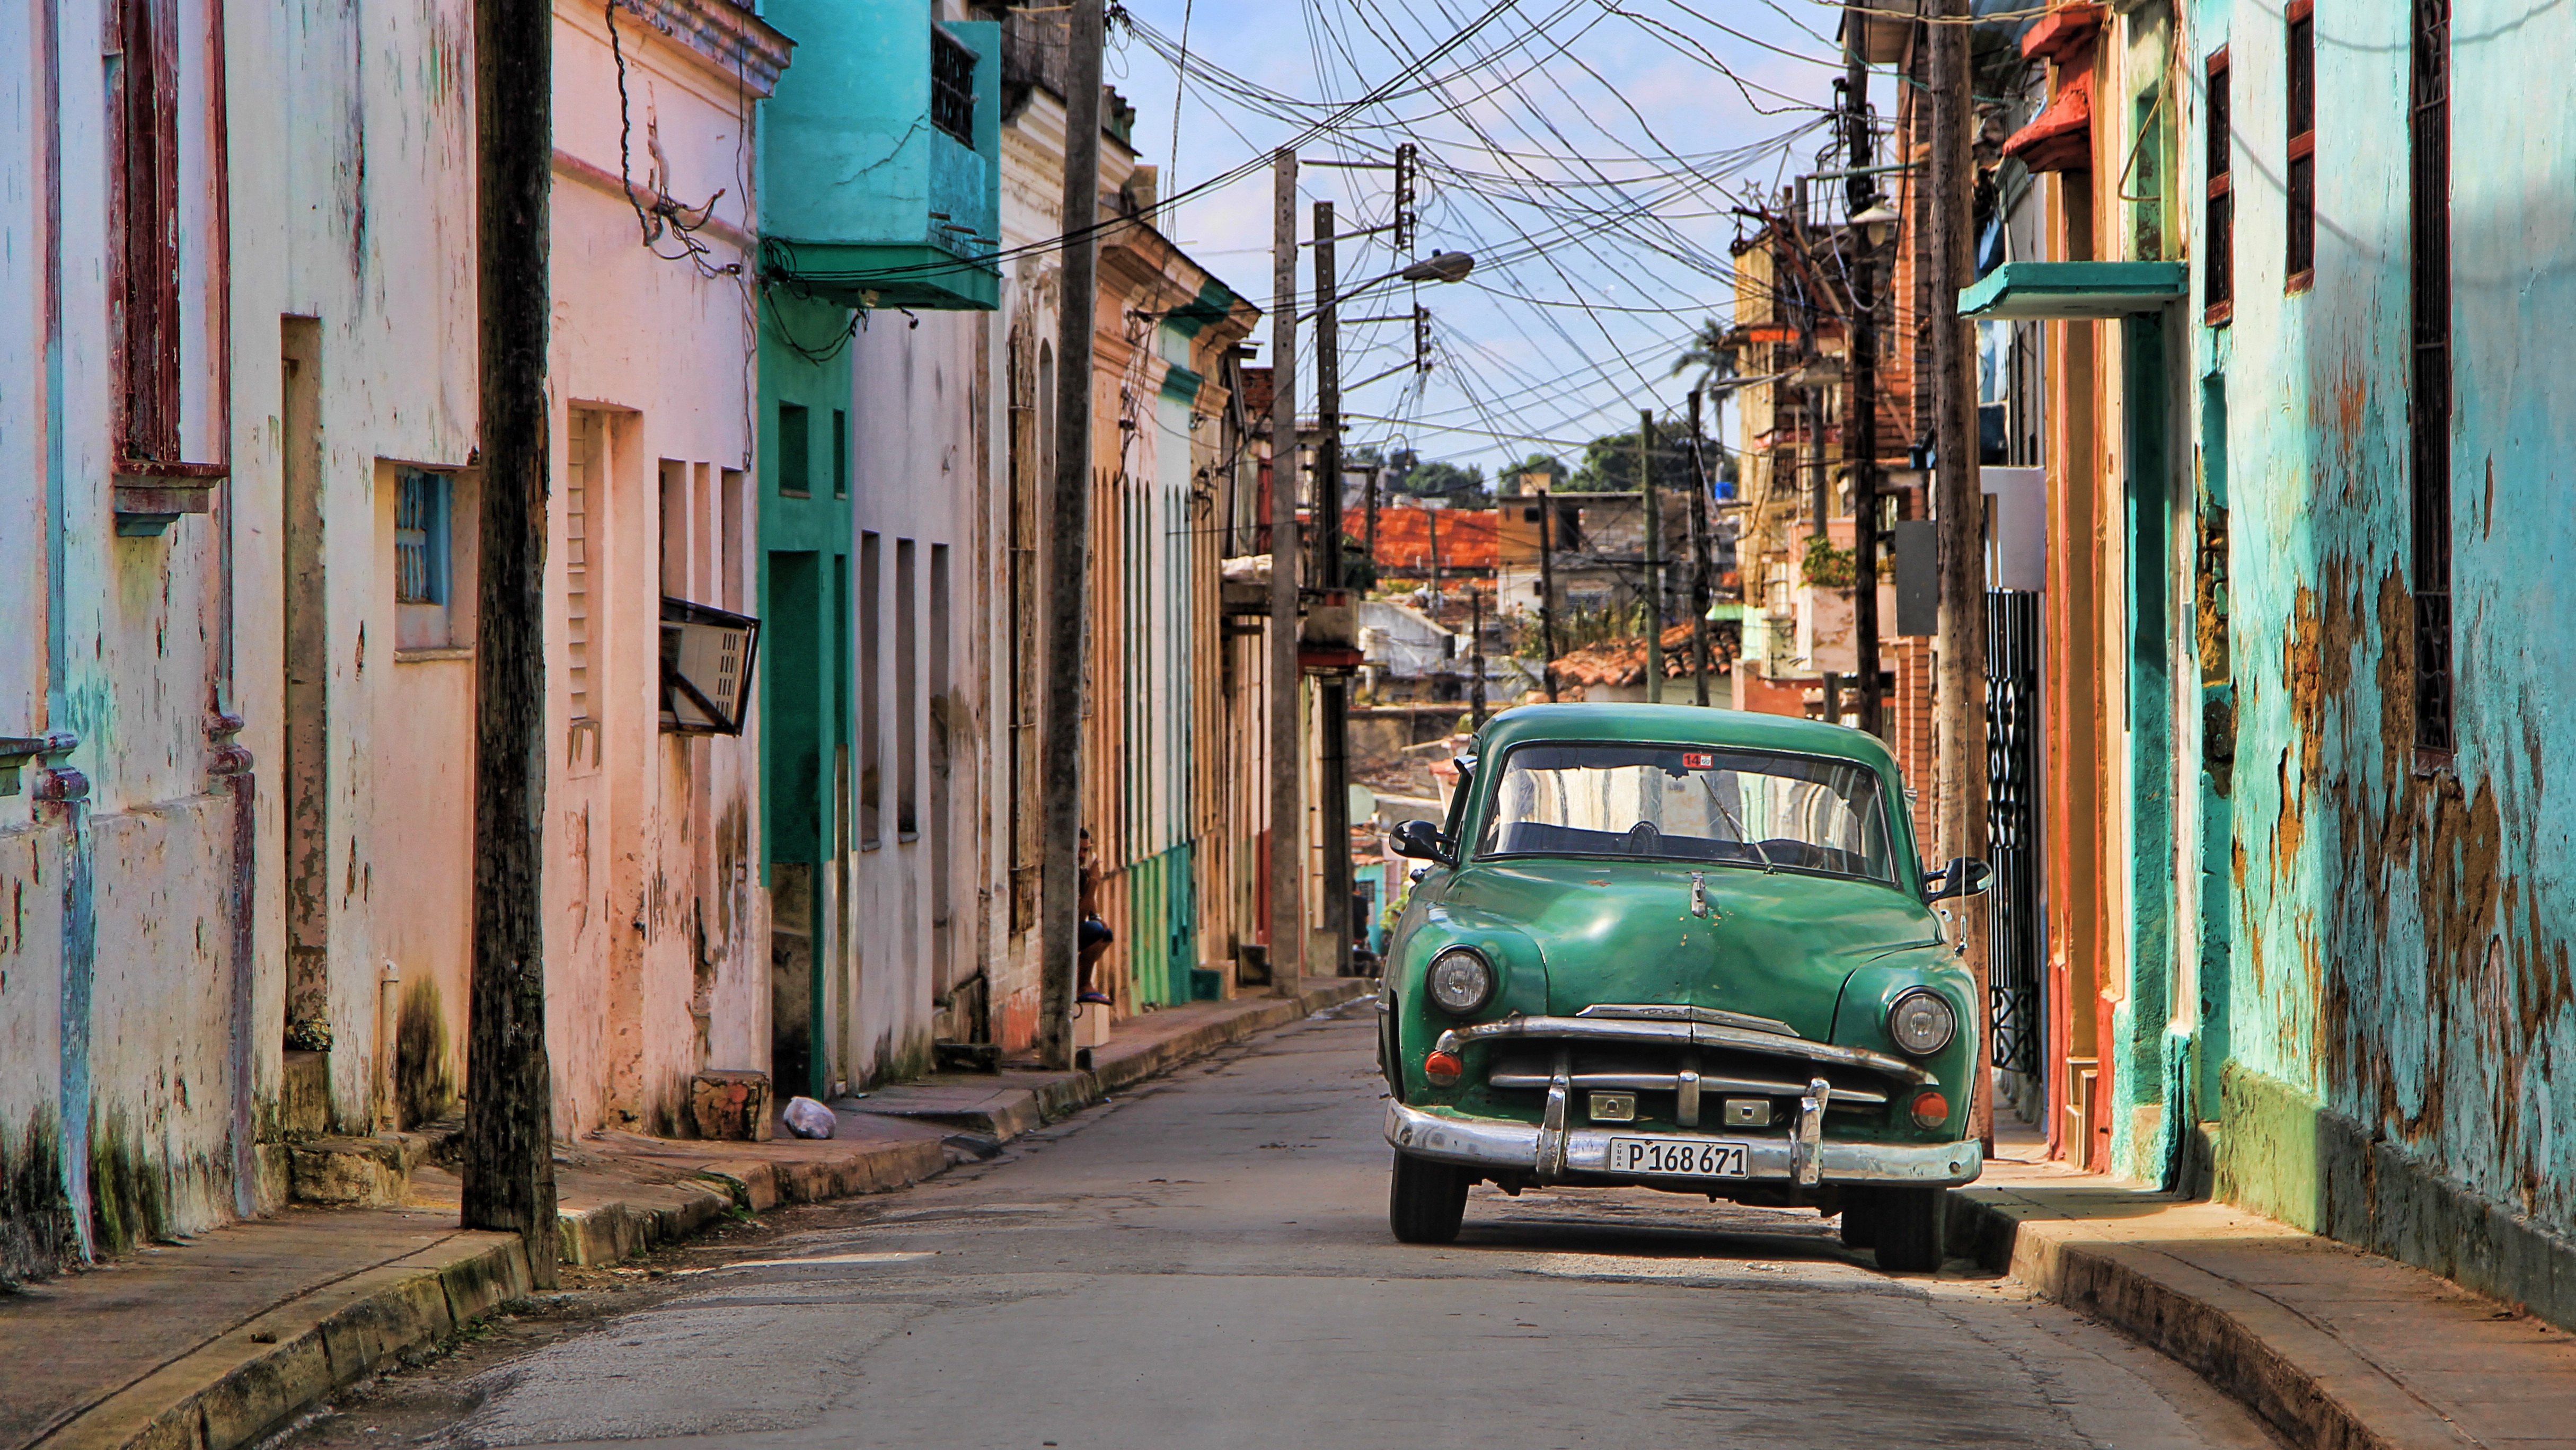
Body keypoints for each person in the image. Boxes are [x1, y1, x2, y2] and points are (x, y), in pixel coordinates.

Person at [1078, 828, 1113, 1005]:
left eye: (1085, 850)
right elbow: (1078, 918)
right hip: (1061, 933)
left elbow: (1089, 907)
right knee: (1095, 932)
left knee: (1106, 933)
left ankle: (1085, 977)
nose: (1082, 855)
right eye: (1079, 850)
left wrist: (1097, 916)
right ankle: (1082, 984)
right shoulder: (1070, 873)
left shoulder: (1082, 873)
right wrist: (1093, 883)